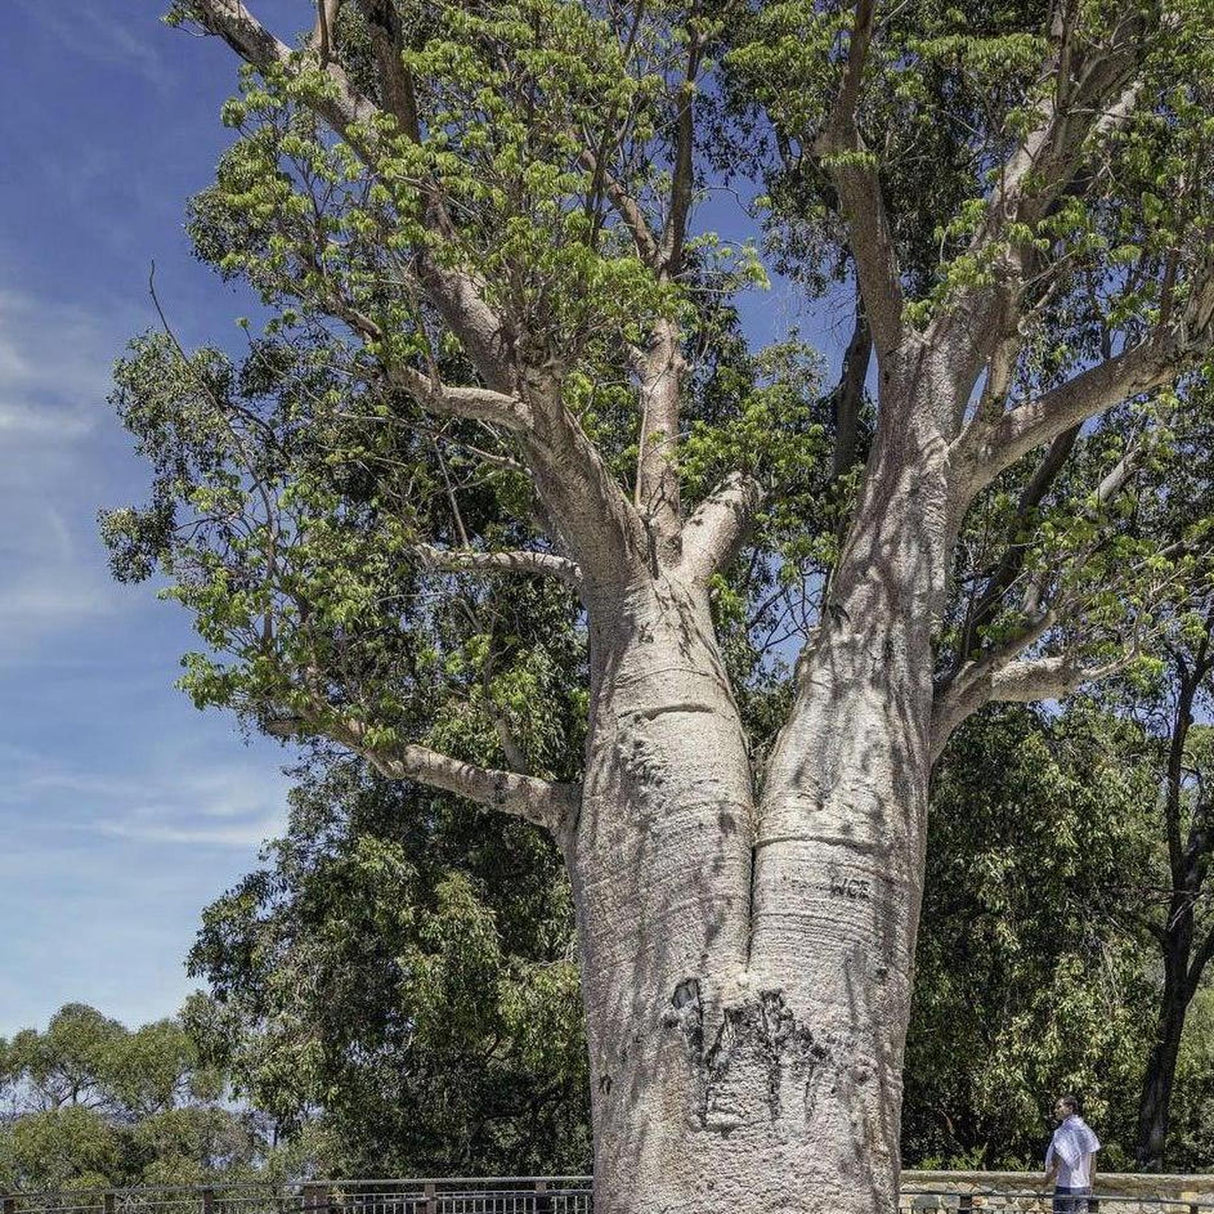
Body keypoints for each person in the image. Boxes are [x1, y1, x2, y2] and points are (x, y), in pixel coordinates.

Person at [1044, 1094, 1100, 1214]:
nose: (1055, 1110)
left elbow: (1055, 1164)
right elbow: (1093, 1164)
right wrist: (1090, 1185)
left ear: (1070, 1108)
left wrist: (1043, 1183)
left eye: (1059, 1107)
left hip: (1065, 1188)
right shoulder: (1088, 1133)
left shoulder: (1061, 1134)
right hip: (1084, 1188)